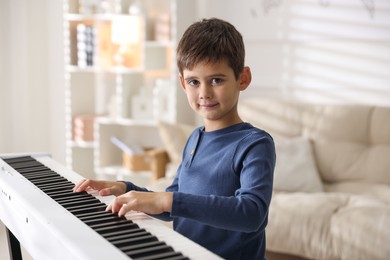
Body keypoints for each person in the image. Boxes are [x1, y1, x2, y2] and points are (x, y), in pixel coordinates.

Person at [74, 18, 276, 260]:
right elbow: (172, 207)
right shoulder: (194, 139)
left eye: (217, 80)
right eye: (194, 82)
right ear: (183, 83)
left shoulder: (255, 144)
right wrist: (125, 189)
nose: (204, 93)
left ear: (242, 79)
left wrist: (165, 200)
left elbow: (252, 214)